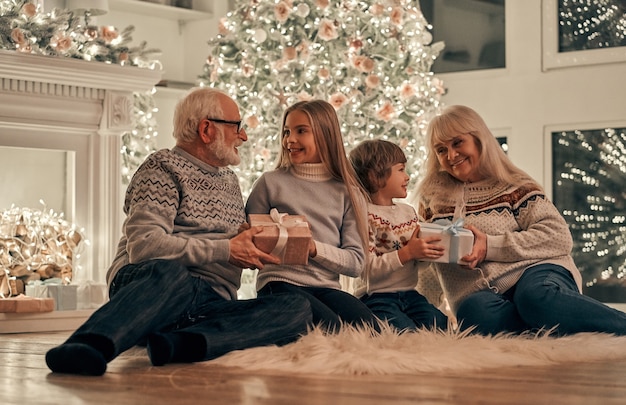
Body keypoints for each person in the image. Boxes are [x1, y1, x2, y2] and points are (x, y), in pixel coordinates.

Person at [45, 88, 312, 376]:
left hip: (210, 301)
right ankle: (87, 345)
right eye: (236, 126)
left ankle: (179, 344)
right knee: (173, 274)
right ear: (207, 129)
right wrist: (226, 248)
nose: (244, 136)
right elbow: (145, 246)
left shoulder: (230, 181)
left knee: (296, 308)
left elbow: (229, 245)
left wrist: (251, 240)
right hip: (154, 286)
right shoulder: (162, 168)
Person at [415, 104, 626, 336]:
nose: (451, 155)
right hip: (479, 295)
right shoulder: (431, 198)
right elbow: (429, 264)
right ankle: (549, 323)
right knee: (475, 315)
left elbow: (558, 237)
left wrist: (490, 246)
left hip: (536, 272)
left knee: (534, 297)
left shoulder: (514, 184)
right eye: (441, 150)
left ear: (479, 139)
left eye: (457, 143)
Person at [245, 99, 379, 332]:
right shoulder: (269, 183)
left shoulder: (348, 192)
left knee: (371, 329)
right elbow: (249, 247)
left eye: (301, 131)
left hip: (326, 287)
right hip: (279, 283)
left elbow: (356, 263)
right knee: (329, 328)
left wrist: (313, 248)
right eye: (287, 131)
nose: (290, 139)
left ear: (326, 135)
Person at [349, 139, 448, 332]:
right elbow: (367, 269)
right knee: (402, 332)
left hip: (410, 293)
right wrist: (407, 253)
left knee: (439, 324)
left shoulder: (408, 212)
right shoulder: (363, 215)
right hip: (375, 297)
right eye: (401, 170)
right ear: (376, 175)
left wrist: (424, 254)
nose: (408, 176)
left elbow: (416, 262)